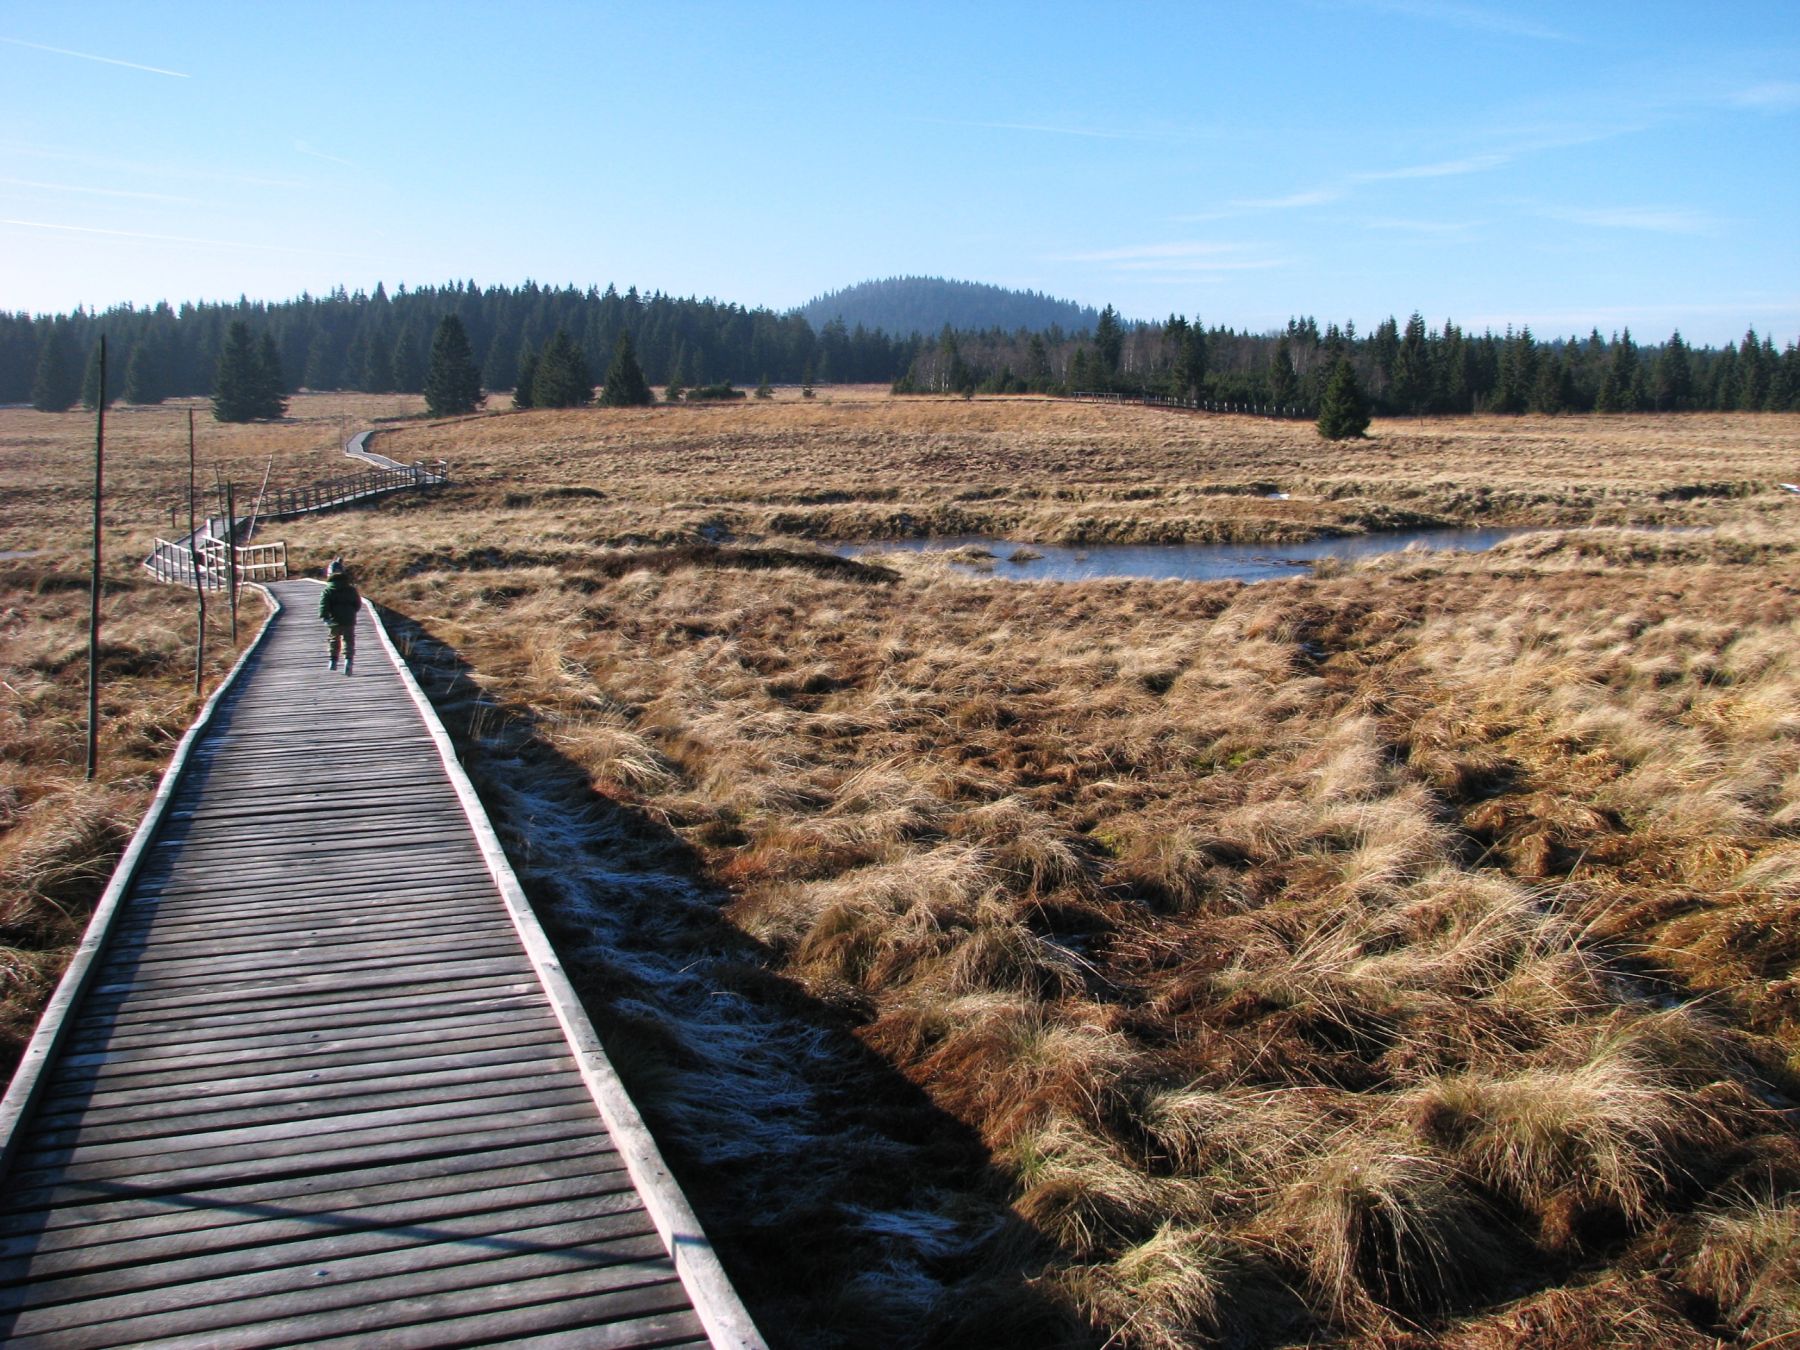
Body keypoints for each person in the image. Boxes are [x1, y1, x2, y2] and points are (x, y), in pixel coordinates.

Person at [319, 557, 362, 675]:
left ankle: (333, 661)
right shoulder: (351, 589)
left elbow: (324, 605)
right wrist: (352, 612)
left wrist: (324, 616)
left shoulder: (327, 590)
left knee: (334, 639)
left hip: (334, 620)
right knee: (348, 640)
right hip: (349, 619)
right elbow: (357, 604)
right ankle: (348, 661)